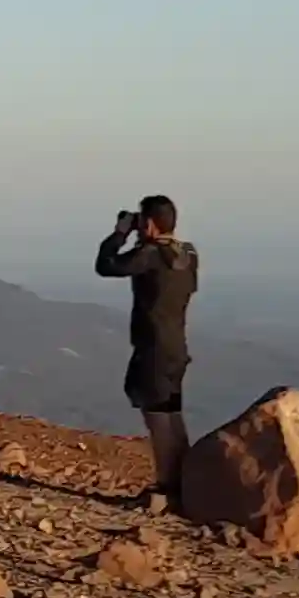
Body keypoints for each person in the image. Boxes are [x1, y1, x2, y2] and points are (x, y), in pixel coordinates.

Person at [95, 194, 200, 498]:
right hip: (176, 346)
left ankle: (169, 487)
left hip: (153, 347)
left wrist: (119, 233)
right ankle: (184, 483)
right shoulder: (188, 254)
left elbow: (107, 265)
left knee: (157, 417)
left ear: (150, 224)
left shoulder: (151, 254)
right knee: (171, 413)